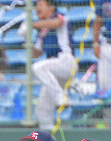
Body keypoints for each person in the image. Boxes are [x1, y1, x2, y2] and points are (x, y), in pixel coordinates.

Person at [30, 0, 74, 130]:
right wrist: (26, 38)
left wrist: (31, 24)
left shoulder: (59, 16)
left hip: (66, 62)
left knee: (37, 67)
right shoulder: (41, 30)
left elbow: (56, 23)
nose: (37, 8)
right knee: (42, 111)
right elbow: (36, 53)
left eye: (40, 5)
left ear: (51, 7)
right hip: (52, 70)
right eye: (36, 5)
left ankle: (61, 96)